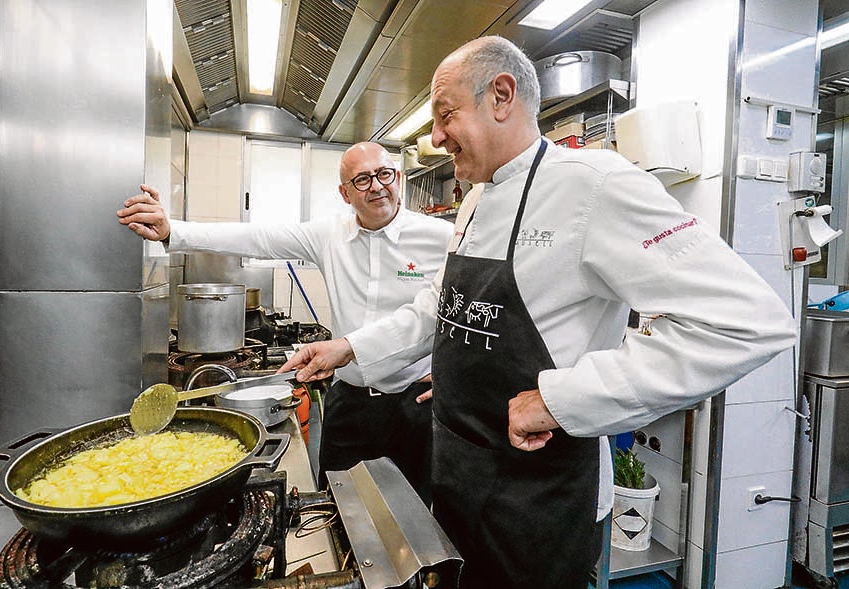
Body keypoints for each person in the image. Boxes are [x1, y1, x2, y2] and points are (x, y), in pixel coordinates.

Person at [280, 36, 798, 587]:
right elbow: (441, 306)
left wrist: (561, 400)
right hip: (459, 479)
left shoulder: (593, 185)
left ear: (501, 96)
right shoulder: (477, 197)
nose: (434, 138)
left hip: (540, 501)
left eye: (445, 115)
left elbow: (745, 323)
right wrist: (351, 348)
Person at [116, 141, 453, 503]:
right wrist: (173, 232)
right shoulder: (329, 236)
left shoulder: (440, 237)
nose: (376, 185)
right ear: (344, 193)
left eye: (384, 174)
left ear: (398, 177)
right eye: (362, 179)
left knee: (415, 508)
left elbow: (466, 308)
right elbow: (258, 238)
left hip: (415, 403)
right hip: (351, 402)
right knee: (337, 503)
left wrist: (455, 371)